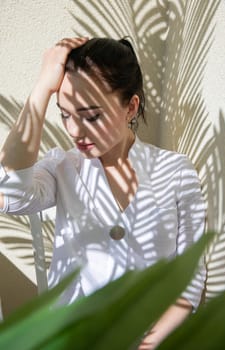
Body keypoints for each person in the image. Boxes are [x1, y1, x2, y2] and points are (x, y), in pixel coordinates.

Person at [0, 37, 206, 349]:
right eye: (65, 114)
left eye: (91, 116)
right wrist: (43, 86)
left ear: (131, 107)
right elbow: (10, 194)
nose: (74, 131)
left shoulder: (175, 171)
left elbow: (190, 278)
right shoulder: (63, 167)